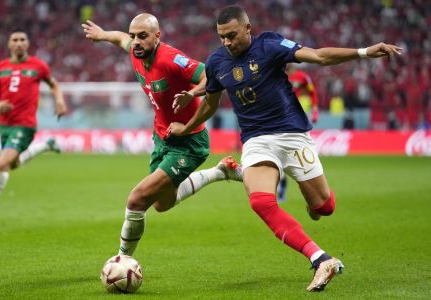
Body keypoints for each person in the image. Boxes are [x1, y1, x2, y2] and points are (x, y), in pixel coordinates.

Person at [168, 5, 402, 292]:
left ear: (247, 28)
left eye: (232, 35)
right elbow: (211, 103)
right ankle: (320, 259)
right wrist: (188, 124)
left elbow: (318, 56)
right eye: (221, 37)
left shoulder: (270, 44)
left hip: (292, 135)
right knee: (261, 203)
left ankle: (306, 194)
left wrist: (364, 52)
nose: (227, 43)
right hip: (256, 140)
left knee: (324, 207)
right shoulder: (217, 61)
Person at [81, 14, 242, 257]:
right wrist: (103, 35)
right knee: (162, 203)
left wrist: (193, 94)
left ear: (157, 37)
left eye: (142, 36)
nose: (135, 41)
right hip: (162, 137)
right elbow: (120, 38)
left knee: (136, 200)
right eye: (134, 35)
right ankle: (220, 172)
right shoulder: (137, 52)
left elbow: (210, 77)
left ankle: (122, 260)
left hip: (189, 142)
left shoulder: (170, 59)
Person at [0, 29, 67, 225]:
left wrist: (59, 101)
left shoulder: (38, 66)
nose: (19, 43)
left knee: (1, 164)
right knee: (12, 164)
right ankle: (45, 146)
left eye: (23, 39)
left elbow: (54, 85)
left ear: (28, 43)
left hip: (25, 125)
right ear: (9, 44)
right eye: (15, 40)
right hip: (5, 126)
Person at [278, 67, 320, 202]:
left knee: (297, 154)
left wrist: (314, 109)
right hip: (276, 118)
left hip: (295, 119)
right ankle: (281, 189)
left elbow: (312, 91)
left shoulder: (300, 76)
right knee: (279, 156)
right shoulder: (271, 72)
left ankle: (308, 184)